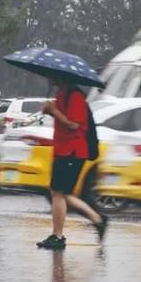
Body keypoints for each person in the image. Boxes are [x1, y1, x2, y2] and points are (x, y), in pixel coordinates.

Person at [36, 77, 108, 250]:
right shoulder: (62, 94)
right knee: (59, 193)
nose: (50, 79)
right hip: (63, 150)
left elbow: (74, 124)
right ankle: (98, 220)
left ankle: (58, 236)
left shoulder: (75, 96)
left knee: (58, 193)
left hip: (73, 152)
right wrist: (50, 109)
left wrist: (54, 111)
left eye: (52, 76)